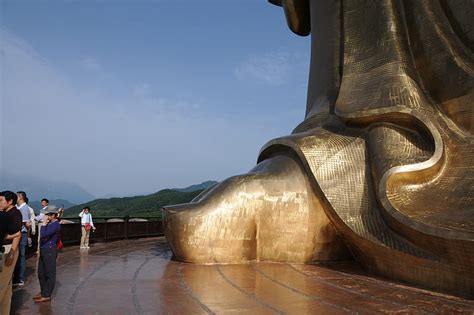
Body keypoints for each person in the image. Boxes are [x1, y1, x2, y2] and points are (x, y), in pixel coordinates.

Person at [0, 191, 21, 314]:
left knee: (2, 283)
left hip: (8, 249)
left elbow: (17, 235)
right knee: (6, 286)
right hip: (6, 248)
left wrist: (11, 254)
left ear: (10, 201)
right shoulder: (6, 213)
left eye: (1, 200)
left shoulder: (15, 213)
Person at [34, 205, 60, 303]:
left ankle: (46, 294)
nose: (45, 216)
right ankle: (43, 291)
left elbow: (43, 235)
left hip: (50, 249)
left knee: (50, 273)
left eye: (47, 214)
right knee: (41, 273)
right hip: (44, 249)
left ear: (53, 215)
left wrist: (44, 224)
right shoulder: (50, 223)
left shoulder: (55, 224)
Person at [13, 191, 31, 286]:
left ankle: (20, 278)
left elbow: (24, 224)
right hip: (19, 234)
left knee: (21, 255)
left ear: (20, 197)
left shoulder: (24, 208)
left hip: (21, 234)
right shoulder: (18, 207)